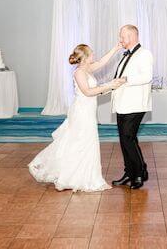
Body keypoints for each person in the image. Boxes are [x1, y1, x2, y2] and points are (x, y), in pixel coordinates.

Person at [28, 43, 125, 192]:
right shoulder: (79, 72)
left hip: (88, 110)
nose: (94, 55)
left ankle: (82, 176)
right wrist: (110, 85)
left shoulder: (87, 69)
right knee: (82, 141)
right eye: (91, 53)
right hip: (82, 112)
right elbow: (87, 92)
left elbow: (102, 62)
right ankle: (74, 177)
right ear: (85, 58)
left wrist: (115, 49)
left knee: (85, 141)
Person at [111, 25, 154, 190]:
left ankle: (139, 173)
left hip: (135, 104)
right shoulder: (125, 54)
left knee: (128, 138)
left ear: (132, 36)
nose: (120, 40)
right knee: (125, 139)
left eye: (122, 36)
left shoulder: (145, 53)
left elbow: (147, 77)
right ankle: (130, 172)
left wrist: (125, 79)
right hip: (122, 103)